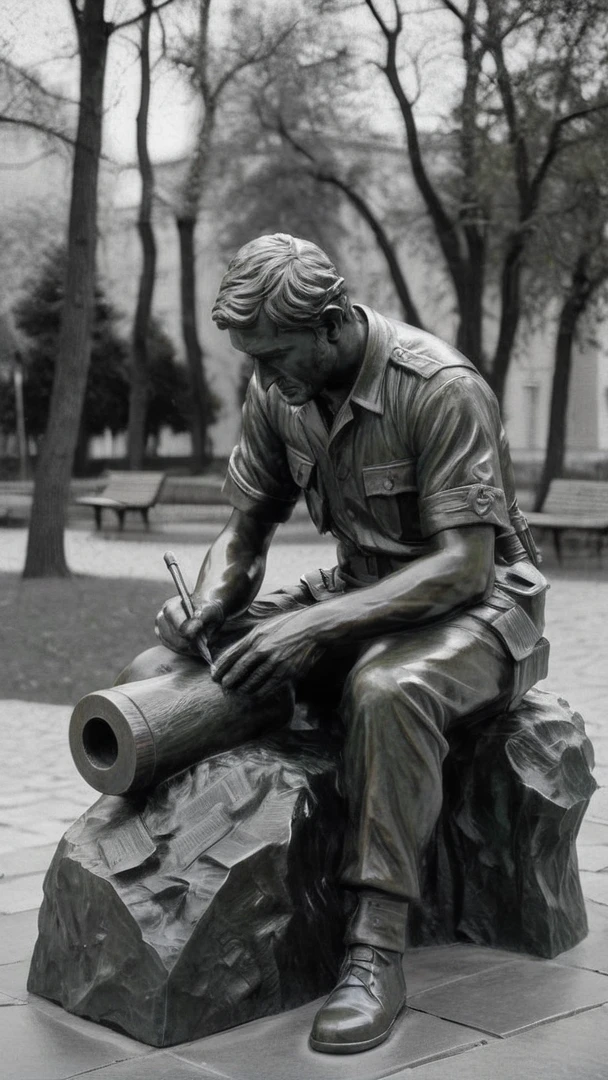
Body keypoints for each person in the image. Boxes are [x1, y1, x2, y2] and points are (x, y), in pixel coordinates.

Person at [133, 233, 549, 1055]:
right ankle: (182, 873)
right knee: (165, 672)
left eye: (274, 355)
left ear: (329, 325)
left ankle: (375, 948)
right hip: (363, 590)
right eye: (250, 358)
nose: (262, 375)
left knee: (386, 689)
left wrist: (311, 628)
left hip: (484, 608)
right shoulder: (279, 390)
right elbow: (244, 531)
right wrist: (210, 604)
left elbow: (466, 568)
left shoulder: (439, 387)